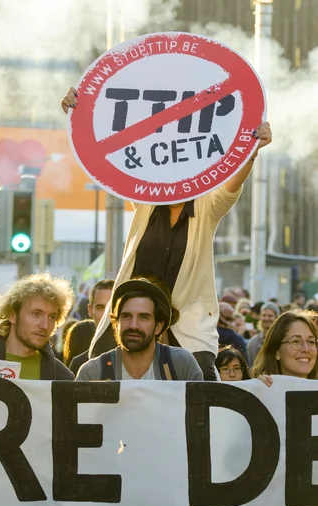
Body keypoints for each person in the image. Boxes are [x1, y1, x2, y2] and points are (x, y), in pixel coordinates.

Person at [62, 87, 272, 380]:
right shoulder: (145, 202)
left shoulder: (206, 207)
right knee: (103, 385)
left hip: (188, 328)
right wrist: (79, 114)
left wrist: (251, 151)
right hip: (132, 324)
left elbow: (230, 189)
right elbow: (107, 157)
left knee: (201, 395)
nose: (174, 169)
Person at [76, 278, 203, 381]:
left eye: (143, 317)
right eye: (126, 316)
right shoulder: (93, 374)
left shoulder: (181, 366)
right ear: (116, 323)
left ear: (158, 326)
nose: (133, 325)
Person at [251, 310, 318, 386]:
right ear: (276, 352)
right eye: (296, 341)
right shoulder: (261, 390)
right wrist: (258, 391)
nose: (306, 349)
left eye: (311, 342)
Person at [69, 278, 114, 375]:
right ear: (90, 310)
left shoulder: (139, 360)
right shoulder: (79, 364)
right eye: (101, 308)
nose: (107, 315)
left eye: (112, 308)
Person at [247, 301, 280, 368]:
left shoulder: (282, 339)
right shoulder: (253, 342)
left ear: (276, 318)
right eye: (264, 315)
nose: (266, 318)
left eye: (270, 316)